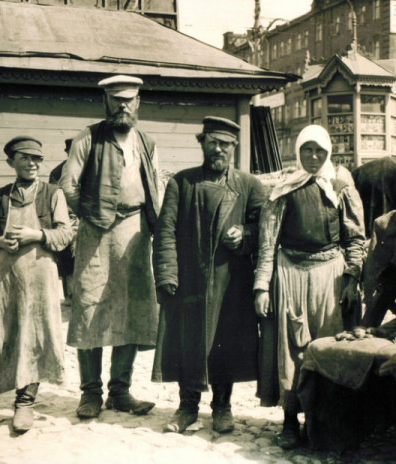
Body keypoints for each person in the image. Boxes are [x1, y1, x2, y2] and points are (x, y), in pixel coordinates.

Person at [152, 116, 266, 434]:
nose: (219, 149)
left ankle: (222, 407)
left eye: (225, 144)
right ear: (202, 143)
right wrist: (166, 274)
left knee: (224, 343)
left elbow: (266, 228)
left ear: (234, 147)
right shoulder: (181, 182)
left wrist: (245, 233)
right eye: (213, 142)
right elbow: (165, 231)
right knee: (187, 343)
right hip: (190, 278)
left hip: (231, 284)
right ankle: (187, 407)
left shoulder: (249, 185)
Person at [253, 125, 365, 449]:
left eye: (319, 151)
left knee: (327, 348)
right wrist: (262, 285)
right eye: (307, 150)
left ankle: (322, 421)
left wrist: (352, 279)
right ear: (298, 152)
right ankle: (290, 421)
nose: (314, 157)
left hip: (329, 278)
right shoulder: (284, 189)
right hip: (290, 275)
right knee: (291, 351)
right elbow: (267, 242)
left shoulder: (341, 188)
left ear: (328, 152)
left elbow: (355, 239)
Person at [0, 136, 73, 433]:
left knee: (34, 338)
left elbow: (65, 234)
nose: (32, 164)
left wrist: (37, 235)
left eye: (36, 159)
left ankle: (25, 404)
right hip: (6, 278)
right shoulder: (1, 196)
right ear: (12, 162)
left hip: (41, 278)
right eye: (25, 158)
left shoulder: (53, 194)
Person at [60, 75, 161, 419]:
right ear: (105, 101)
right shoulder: (88, 138)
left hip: (135, 233)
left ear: (138, 103)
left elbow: (156, 187)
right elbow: (68, 185)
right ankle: (90, 394)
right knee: (90, 305)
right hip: (95, 234)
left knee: (131, 308)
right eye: (116, 99)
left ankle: (120, 391)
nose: (122, 106)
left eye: (128, 100)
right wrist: (93, 214)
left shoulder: (146, 142)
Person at [49, 138, 76, 298]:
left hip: (86, 217)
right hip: (67, 217)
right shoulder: (58, 172)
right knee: (67, 255)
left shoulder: (91, 168)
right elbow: (54, 197)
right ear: (67, 153)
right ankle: (69, 294)